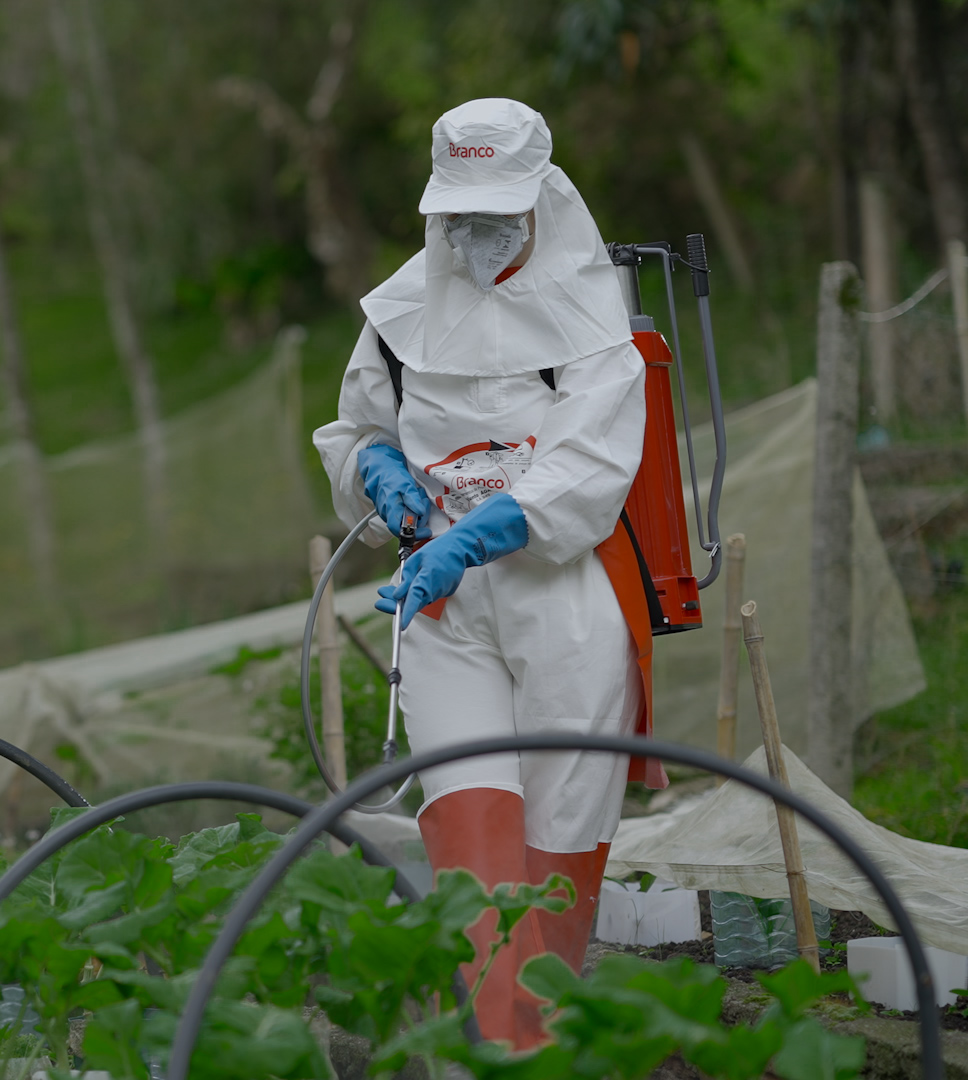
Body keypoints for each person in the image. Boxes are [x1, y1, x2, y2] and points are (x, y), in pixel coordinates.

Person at [313, 97, 666, 1047]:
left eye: (496, 216)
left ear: (542, 200)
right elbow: (353, 432)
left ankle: (539, 1043)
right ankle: (490, 1047)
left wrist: (476, 534)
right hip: (441, 605)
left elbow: (588, 476)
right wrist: (376, 474)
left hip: (560, 604)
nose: (477, 238)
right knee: (467, 823)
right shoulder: (397, 317)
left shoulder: (595, 327)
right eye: (459, 220)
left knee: (558, 840)